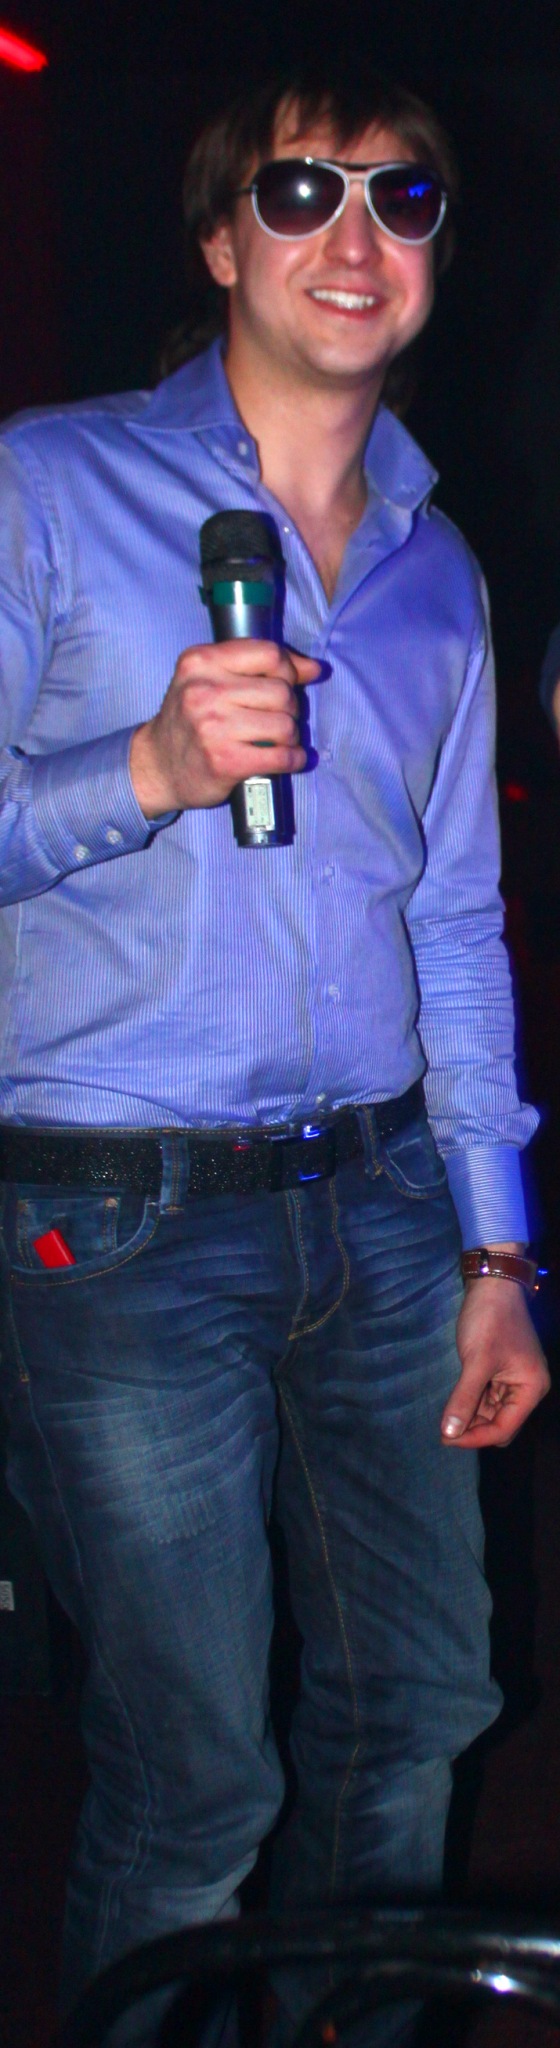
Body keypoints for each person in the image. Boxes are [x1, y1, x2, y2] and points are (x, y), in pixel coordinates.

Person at [0, 61, 550, 2048]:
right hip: (122, 1226)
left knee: (420, 1709)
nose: (354, 234)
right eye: (305, 191)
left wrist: (499, 1247)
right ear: (224, 239)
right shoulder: (45, 487)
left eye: (402, 201)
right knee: (198, 1779)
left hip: (389, 1211)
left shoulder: (439, 571)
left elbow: (455, 928)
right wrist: (143, 769)